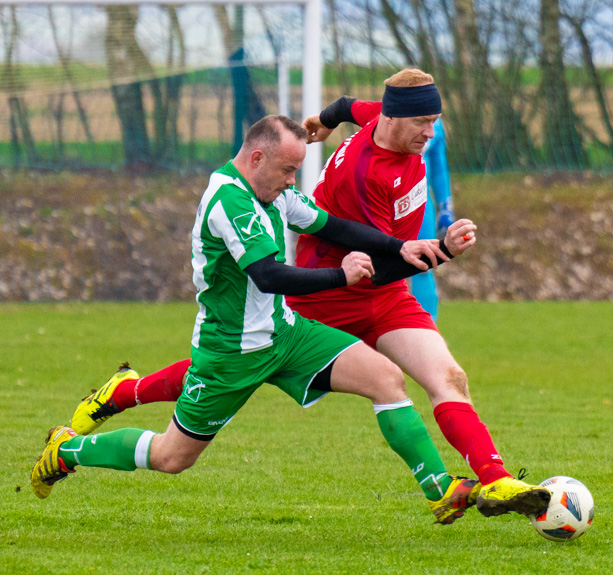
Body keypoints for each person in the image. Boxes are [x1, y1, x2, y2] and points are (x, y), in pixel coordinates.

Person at [30, 115, 481, 525]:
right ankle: (66, 449)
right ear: (257, 157)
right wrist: (339, 276)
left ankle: (440, 491)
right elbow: (268, 276)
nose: (292, 182)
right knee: (172, 457)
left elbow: (331, 226)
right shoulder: (230, 202)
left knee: (385, 377)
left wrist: (397, 247)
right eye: (287, 171)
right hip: (232, 351)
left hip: (287, 334)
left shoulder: (276, 191)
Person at [291, 68, 550, 518]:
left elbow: (346, 105)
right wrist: (444, 252)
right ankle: (130, 390)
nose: (431, 134)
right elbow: (376, 267)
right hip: (328, 298)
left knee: (449, 378)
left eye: (435, 120)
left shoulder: (380, 117)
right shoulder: (364, 174)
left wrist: (324, 120)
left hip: (386, 296)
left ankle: (497, 480)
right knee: (228, 370)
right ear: (392, 119)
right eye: (422, 124)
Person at [410, 118, 454, 321]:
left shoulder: (436, 125)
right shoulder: (390, 119)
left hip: (421, 205)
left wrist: (445, 207)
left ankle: (428, 328)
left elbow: (438, 167)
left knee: (423, 264)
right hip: (388, 201)